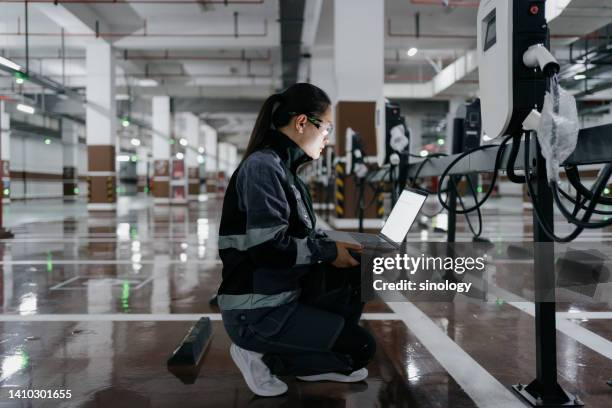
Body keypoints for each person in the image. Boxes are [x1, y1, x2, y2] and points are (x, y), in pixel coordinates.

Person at [217, 83, 376, 397]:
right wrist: (329, 251)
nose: (327, 137)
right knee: (360, 350)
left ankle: (307, 354)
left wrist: (345, 244)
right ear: (302, 122)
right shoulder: (263, 168)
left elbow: (303, 234)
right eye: (326, 127)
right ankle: (260, 353)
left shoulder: (284, 170)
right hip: (257, 311)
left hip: (281, 295)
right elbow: (267, 249)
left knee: (360, 265)